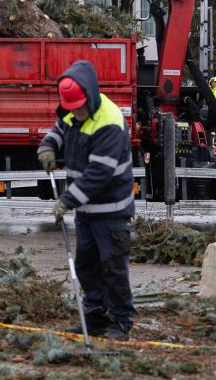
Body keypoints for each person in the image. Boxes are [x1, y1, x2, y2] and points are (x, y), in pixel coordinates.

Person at [36, 60, 135, 341]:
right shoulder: (72, 112)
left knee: (113, 267)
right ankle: (95, 318)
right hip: (86, 211)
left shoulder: (109, 122)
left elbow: (98, 174)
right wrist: (48, 145)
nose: (75, 114)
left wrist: (66, 200)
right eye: (71, 109)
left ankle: (120, 322)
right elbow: (60, 128)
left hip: (111, 209)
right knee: (86, 265)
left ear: (89, 97)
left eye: (79, 108)